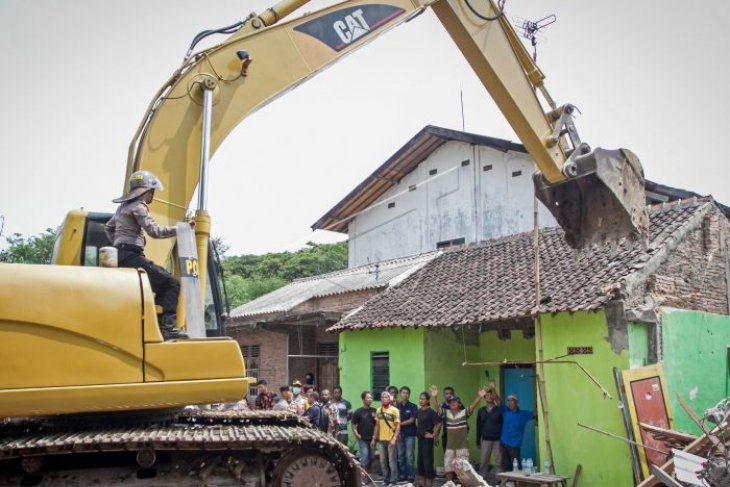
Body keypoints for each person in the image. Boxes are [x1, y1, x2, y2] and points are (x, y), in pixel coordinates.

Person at [104, 170, 189, 340]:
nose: (152, 196)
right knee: (171, 283)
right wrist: (181, 229)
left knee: (152, 288)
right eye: (152, 192)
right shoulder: (139, 207)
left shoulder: (122, 208)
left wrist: (118, 244)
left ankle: (157, 324)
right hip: (131, 256)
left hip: (120, 256)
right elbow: (155, 232)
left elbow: (108, 227)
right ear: (147, 191)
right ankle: (167, 328)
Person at [432, 385, 485, 483]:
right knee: (448, 467)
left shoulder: (464, 413)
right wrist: (435, 397)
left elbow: (473, 406)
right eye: (451, 402)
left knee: (462, 469)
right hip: (450, 446)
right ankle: (449, 484)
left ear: (459, 404)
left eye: (454, 402)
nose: (452, 403)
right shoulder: (446, 413)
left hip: (462, 446)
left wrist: (479, 396)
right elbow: (438, 408)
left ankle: (463, 484)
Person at [493, 390, 535, 472]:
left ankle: (517, 483)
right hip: (504, 444)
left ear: (516, 402)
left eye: (512, 400)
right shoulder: (505, 411)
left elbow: (536, 413)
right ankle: (508, 483)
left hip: (514, 446)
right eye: (508, 401)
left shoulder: (524, 414)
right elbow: (497, 400)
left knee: (516, 468)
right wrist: (493, 388)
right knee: (505, 466)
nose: (510, 403)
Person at [371, 390, 400, 486]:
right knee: (383, 461)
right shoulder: (379, 410)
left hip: (391, 439)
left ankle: (393, 481)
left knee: (392, 461)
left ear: (390, 399)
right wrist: (374, 438)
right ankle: (386, 479)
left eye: (386, 397)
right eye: (382, 397)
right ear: (381, 399)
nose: (384, 399)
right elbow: (377, 426)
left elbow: (398, 426)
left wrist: (394, 439)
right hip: (381, 440)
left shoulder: (395, 410)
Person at [476, 381, 503, 479]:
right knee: (483, 461)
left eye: (491, 395)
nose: (489, 397)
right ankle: (482, 479)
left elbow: (500, 402)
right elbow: (478, 426)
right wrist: (478, 440)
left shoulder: (499, 409)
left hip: (497, 439)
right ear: (484, 398)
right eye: (487, 395)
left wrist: (493, 388)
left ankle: (500, 480)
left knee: (499, 461)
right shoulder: (481, 410)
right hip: (485, 439)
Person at [415, 391, 441, 487]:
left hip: (427, 441)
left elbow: (438, 423)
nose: (421, 400)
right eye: (420, 398)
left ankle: (430, 484)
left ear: (427, 400)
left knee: (427, 462)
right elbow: (416, 421)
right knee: (420, 462)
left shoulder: (431, 412)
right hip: (420, 439)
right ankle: (423, 484)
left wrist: (433, 434)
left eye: (423, 399)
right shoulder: (418, 410)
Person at [396, 386, 418, 484]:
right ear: (400, 394)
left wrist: (399, 424)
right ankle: (402, 475)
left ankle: (410, 476)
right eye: (403, 392)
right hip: (399, 434)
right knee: (400, 456)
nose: (405, 394)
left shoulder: (413, 406)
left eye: (407, 393)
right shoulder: (396, 406)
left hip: (410, 434)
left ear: (409, 395)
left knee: (409, 457)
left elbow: (412, 420)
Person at [353, 391, 377, 472]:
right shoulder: (358, 412)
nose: (370, 399)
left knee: (371, 457)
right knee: (365, 457)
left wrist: (374, 438)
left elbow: (377, 425)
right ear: (363, 399)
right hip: (362, 439)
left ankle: (367, 474)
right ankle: (363, 476)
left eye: (371, 398)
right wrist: (356, 434)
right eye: (368, 398)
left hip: (372, 439)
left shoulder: (375, 411)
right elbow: (354, 425)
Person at [438, 386, 464, 453]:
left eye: (450, 393)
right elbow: (439, 422)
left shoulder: (459, 405)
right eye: (447, 393)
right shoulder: (441, 406)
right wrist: (436, 435)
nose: (449, 395)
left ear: (454, 394)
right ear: (444, 395)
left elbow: (464, 417)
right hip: (446, 434)